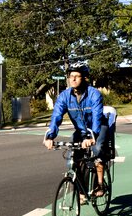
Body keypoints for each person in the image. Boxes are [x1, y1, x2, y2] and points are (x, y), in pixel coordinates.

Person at [43, 61, 106, 203]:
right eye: (71, 76)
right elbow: (56, 116)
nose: (73, 79)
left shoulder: (94, 94)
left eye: (77, 76)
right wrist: (50, 136)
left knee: (97, 150)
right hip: (81, 131)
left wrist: (91, 136)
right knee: (73, 158)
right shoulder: (64, 96)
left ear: (84, 78)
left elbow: (96, 118)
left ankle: (100, 185)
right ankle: (82, 191)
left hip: (98, 128)